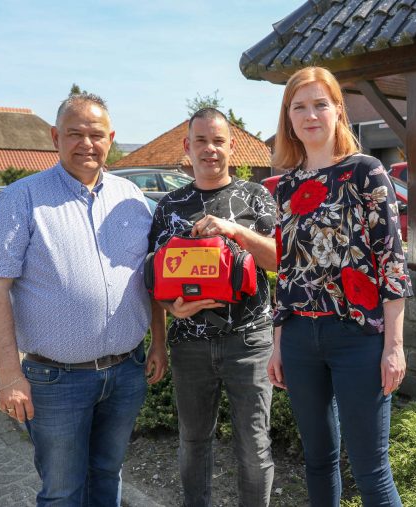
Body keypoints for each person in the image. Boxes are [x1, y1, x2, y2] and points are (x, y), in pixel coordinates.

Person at [0, 93, 167, 506]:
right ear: (54, 137)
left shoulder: (132, 198)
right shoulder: (21, 199)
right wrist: (9, 375)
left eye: (96, 134)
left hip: (126, 373)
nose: (86, 144)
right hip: (56, 381)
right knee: (63, 491)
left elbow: (149, 277)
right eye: (75, 133)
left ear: (111, 139)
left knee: (108, 476)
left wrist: (159, 342)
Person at [267, 66, 412, 506]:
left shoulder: (367, 172)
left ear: (337, 111)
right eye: (299, 107)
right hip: (299, 339)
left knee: (371, 471)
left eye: (319, 104)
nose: (310, 115)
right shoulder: (285, 187)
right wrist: (277, 344)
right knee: (317, 462)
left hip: (358, 338)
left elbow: (392, 263)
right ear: (288, 117)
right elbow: (286, 272)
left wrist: (394, 346)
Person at [149, 108, 277, 507]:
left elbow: (280, 260)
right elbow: (152, 280)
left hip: (249, 342)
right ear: (187, 146)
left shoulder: (255, 196)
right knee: (193, 442)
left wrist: (235, 230)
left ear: (231, 146)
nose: (210, 149)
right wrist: (167, 317)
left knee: (254, 446)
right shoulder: (169, 206)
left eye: (218, 141)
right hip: (189, 345)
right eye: (201, 141)